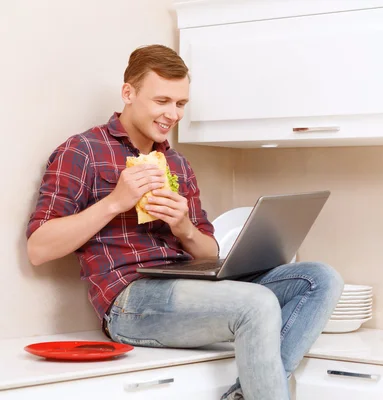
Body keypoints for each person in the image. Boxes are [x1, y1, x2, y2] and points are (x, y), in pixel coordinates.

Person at [26, 44, 344, 400]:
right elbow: (39, 247)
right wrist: (115, 202)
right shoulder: (82, 151)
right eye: (162, 101)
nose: (172, 114)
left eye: (180, 104)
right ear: (128, 93)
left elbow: (209, 250)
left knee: (321, 278)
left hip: (189, 286)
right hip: (130, 302)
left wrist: (183, 227)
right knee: (257, 303)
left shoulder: (177, 163)